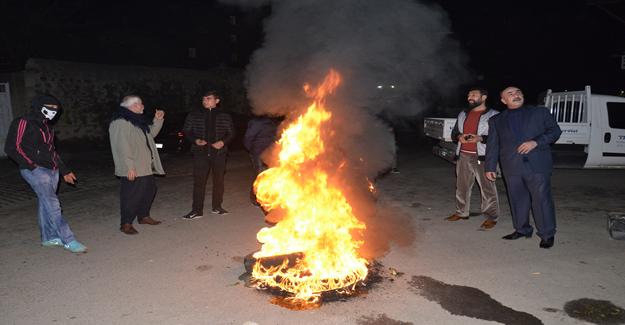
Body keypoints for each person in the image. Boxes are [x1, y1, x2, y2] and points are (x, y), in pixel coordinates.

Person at [4, 95, 87, 253]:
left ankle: (48, 237)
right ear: (38, 106)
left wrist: (64, 171)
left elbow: (52, 151)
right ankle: (68, 239)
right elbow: (12, 147)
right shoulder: (23, 122)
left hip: (52, 170)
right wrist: (32, 166)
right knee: (53, 204)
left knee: (45, 203)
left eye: (56, 109)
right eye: (49, 107)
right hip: (34, 170)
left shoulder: (48, 127)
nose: (53, 111)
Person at [485, 86, 562, 248]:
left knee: (541, 200)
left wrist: (536, 142)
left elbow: (555, 131)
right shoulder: (496, 120)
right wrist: (490, 167)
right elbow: (493, 145)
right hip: (511, 166)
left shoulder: (539, 112)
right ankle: (522, 229)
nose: (516, 95)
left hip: (537, 164)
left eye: (518, 92)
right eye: (510, 94)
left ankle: (547, 234)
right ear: (503, 100)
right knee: (517, 200)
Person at [109, 95, 165, 235]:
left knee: (149, 190)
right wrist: (129, 167)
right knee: (130, 195)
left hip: (145, 165)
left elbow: (150, 135)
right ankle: (126, 223)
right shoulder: (121, 122)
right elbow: (122, 146)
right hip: (133, 167)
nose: (143, 106)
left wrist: (157, 120)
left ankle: (143, 216)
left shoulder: (137, 121)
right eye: (140, 104)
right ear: (132, 106)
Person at [446, 87, 500, 229]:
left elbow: (499, 137)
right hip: (463, 154)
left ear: (484, 97)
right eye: (469, 94)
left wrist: (480, 138)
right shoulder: (463, 114)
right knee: (461, 186)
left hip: (482, 157)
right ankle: (461, 212)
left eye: (474, 94)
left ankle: (491, 217)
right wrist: (460, 137)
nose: (470, 96)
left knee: (487, 188)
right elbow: (454, 133)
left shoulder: (495, 115)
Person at [181, 90, 235, 219]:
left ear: (216, 101)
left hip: (219, 153)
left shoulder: (224, 115)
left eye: (208, 98)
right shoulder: (194, 115)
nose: (205, 101)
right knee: (199, 182)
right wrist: (196, 140)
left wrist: (222, 142)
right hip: (200, 153)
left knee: (219, 182)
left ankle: (217, 207)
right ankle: (196, 210)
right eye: (204, 99)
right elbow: (186, 131)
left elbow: (232, 132)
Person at [244, 115, 279, 206]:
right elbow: (248, 138)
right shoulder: (256, 122)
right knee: (260, 175)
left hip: (272, 153)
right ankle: (255, 198)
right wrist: (252, 150)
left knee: (271, 176)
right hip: (259, 153)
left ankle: (268, 197)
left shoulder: (273, 121)